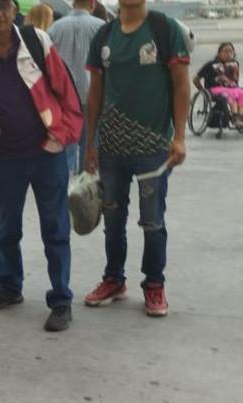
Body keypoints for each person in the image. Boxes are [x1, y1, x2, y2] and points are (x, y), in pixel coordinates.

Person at [0, 0, 83, 332]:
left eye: (4, 6)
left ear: (15, 11)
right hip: (6, 157)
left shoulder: (37, 42)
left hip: (46, 154)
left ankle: (61, 299)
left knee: (55, 229)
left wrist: (63, 135)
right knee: (8, 227)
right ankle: (10, 285)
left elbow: (66, 91)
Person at [84, 0, 190, 317]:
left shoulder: (165, 29)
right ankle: (114, 279)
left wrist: (180, 137)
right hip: (111, 149)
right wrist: (90, 143)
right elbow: (95, 92)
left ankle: (154, 283)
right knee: (112, 219)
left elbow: (181, 84)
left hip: (153, 149)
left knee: (152, 221)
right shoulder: (104, 35)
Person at [48, 0, 105, 174]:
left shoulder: (55, 28)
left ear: (73, 4)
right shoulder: (101, 27)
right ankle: (85, 181)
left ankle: (66, 182)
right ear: (92, 4)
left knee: (66, 143)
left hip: (62, 96)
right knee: (90, 143)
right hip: (91, 92)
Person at [193, 42, 243, 129]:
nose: (228, 54)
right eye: (225, 51)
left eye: (230, 51)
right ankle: (235, 118)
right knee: (232, 93)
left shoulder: (235, 64)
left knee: (240, 93)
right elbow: (195, 79)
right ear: (219, 53)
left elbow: (235, 81)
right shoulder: (210, 64)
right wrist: (202, 91)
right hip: (215, 89)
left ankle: (240, 117)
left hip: (232, 88)